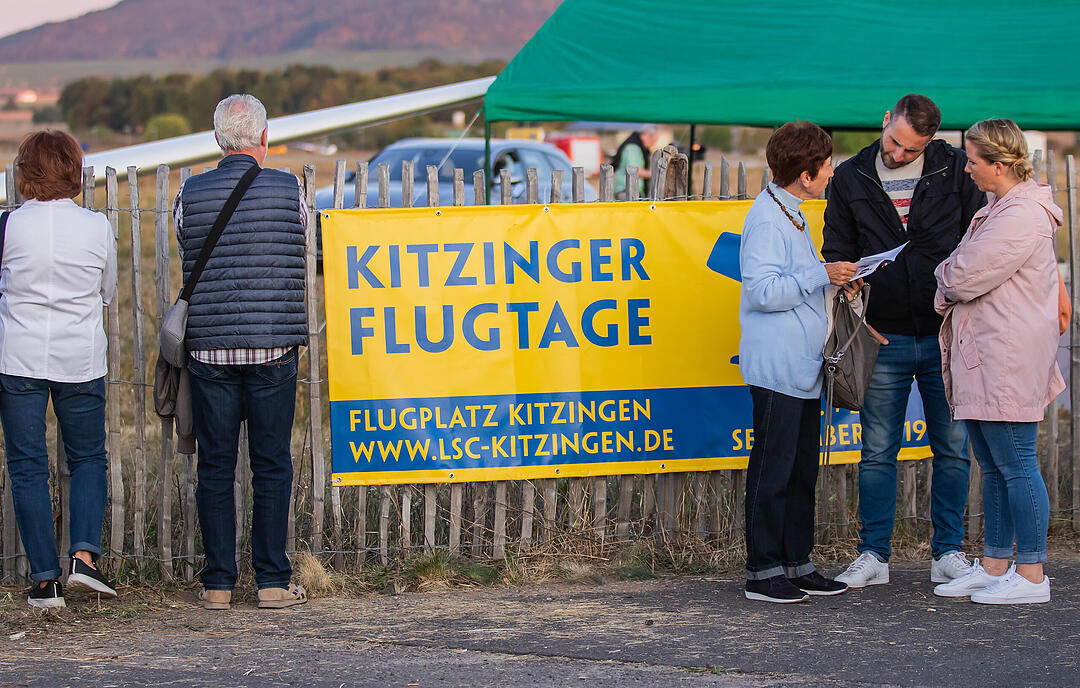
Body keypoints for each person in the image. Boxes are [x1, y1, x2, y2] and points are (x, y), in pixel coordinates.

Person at [822, 95, 985, 588]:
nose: (896, 153)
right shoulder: (851, 175)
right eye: (893, 141)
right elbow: (836, 246)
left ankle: (948, 553)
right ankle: (873, 555)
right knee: (877, 451)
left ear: (931, 141)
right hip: (882, 334)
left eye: (910, 149)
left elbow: (979, 239)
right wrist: (848, 284)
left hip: (945, 334)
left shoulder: (956, 168)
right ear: (884, 120)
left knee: (953, 449)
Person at [174, 94, 308, 610]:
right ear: (264, 138)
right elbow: (301, 243)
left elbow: (186, 243)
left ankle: (218, 584)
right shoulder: (289, 187)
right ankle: (273, 581)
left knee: (215, 466)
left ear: (216, 141)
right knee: (271, 464)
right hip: (274, 344)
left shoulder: (191, 192)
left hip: (209, 348)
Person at [931, 119, 1064, 604]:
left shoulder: (1021, 215)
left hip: (1007, 354)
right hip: (987, 351)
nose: (967, 170)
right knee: (993, 463)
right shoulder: (999, 208)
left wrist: (944, 273)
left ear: (1001, 165)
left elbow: (963, 276)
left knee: (1016, 462)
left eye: (974, 161)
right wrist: (951, 272)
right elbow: (964, 271)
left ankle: (1031, 575)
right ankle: (994, 563)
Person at [738, 121, 857, 603]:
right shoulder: (767, 218)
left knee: (801, 469)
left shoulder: (793, 212)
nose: (832, 172)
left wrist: (836, 281)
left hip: (804, 364)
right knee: (773, 469)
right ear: (805, 174)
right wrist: (819, 274)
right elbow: (763, 292)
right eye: (826, 166)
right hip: (778, 366)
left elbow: (799, 282)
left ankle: (797, 562)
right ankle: (762, 572)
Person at [0, 130, 118, 608]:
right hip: (80, 357)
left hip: (19, 356)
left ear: (24, 174)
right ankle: (85, 559)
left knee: (28, 466)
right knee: (87, 457)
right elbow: (107, 290)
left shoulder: (8, 226)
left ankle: (45, 580)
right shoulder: (96, 227)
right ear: (75, 171)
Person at [612, 125, 658, 199]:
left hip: (630, 191)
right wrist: (654, 174)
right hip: (627, 192)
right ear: (647, 134)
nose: (653, 143)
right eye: (654, 140)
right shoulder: (633, 148)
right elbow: (634, 170)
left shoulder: (636, 146)